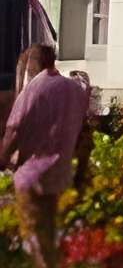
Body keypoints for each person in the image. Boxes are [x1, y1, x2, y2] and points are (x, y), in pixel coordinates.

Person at [0, 45, 92, 268]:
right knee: (49, 238)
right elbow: (84, 134)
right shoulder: (73, 89)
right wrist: (81, 170)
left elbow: (14, 127)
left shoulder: (36, 87)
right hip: (59, 173)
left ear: (32, 62)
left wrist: (3, 157)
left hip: (32, 176)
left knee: (35, 240)